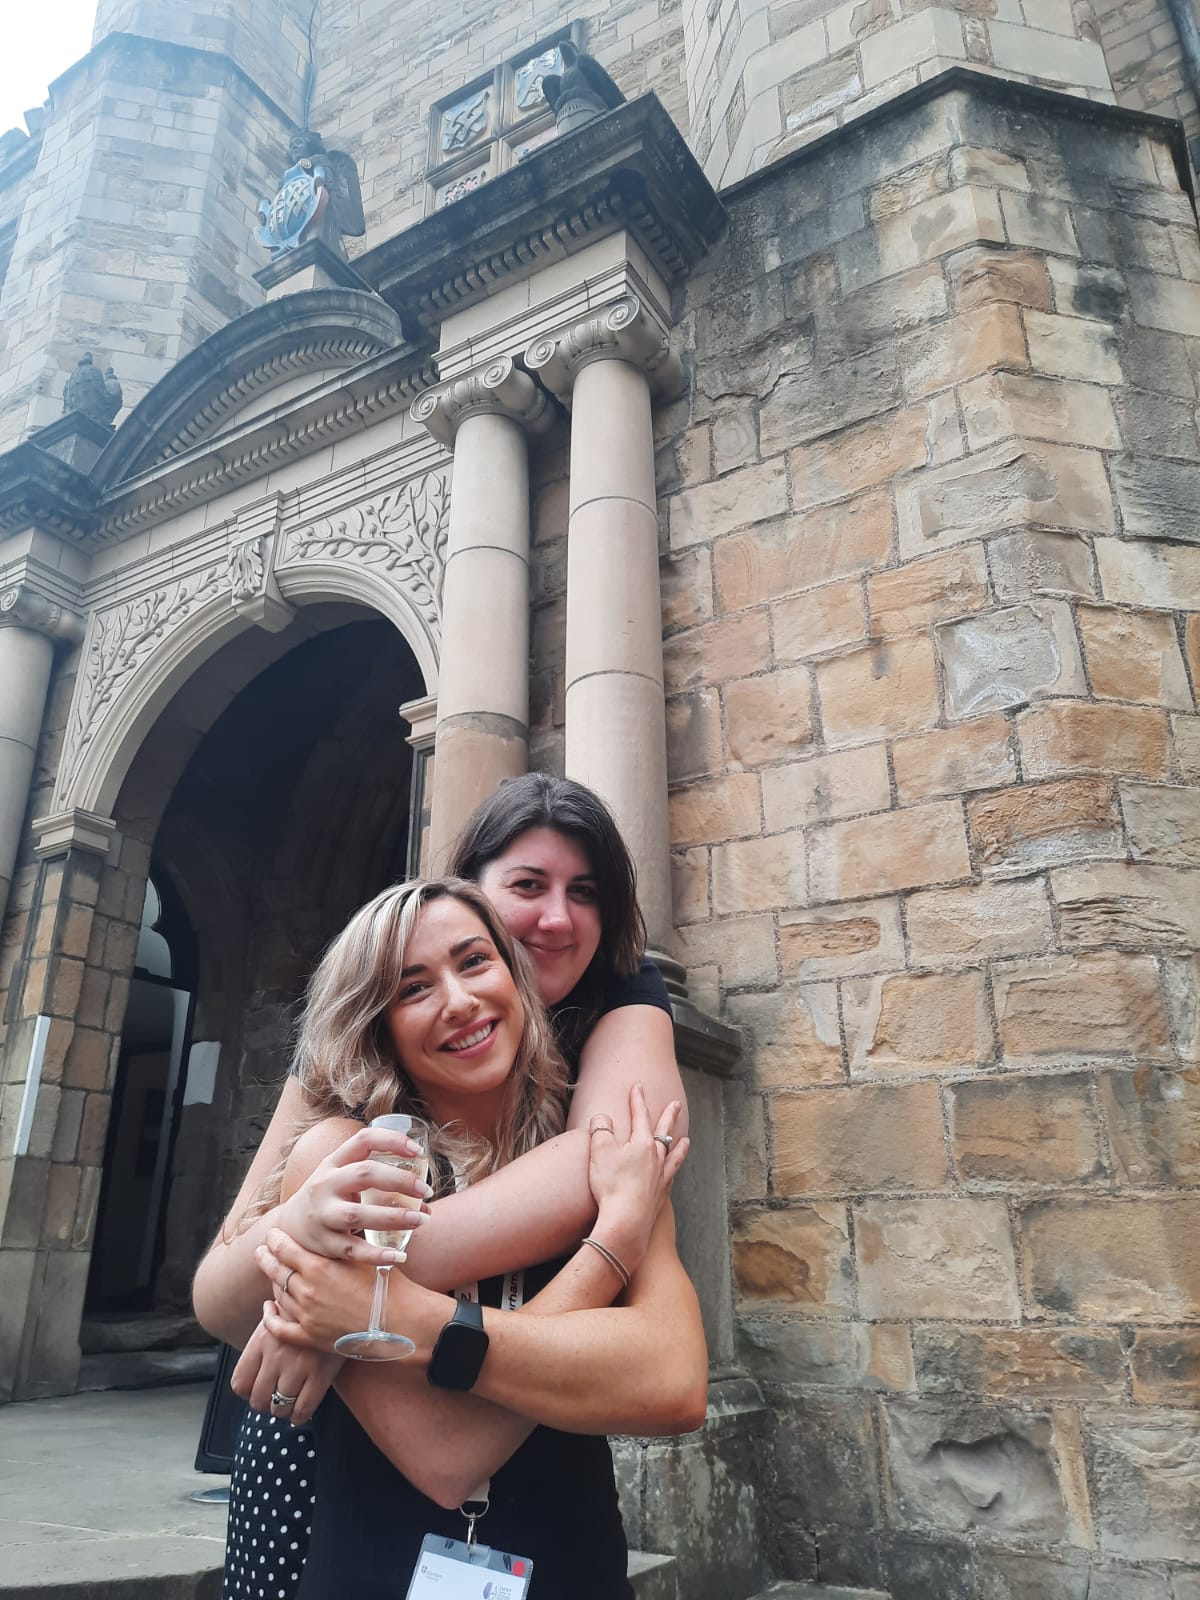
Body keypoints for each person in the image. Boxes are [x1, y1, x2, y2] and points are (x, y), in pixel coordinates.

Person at [191, 775, 687, 1598]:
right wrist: (311, 1252)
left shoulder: (622, 994)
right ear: (474, 891)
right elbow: (221, 1285)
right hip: (333, 1476)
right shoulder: (345, 1126)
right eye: (527, 885)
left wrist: (354, 1287)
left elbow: (615, 1158)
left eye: (586, 892)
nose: (557, 919)